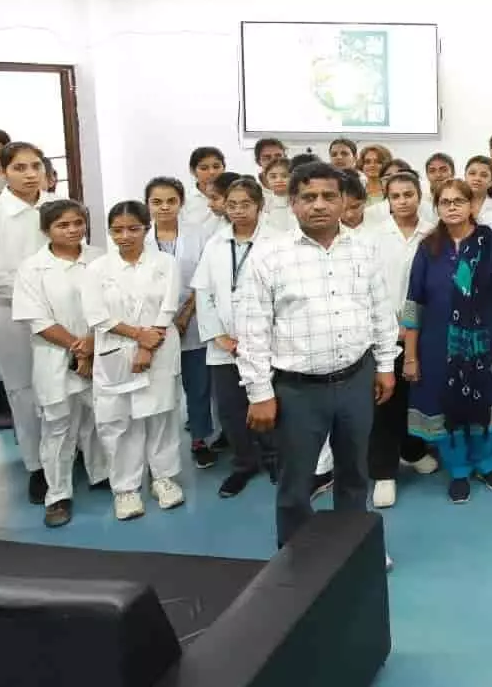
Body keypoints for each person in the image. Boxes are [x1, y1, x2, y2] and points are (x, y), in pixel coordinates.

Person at [235, 161, 398, 549]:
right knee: (297, 480)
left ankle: (352, 548)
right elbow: (253, 329)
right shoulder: (269, 256)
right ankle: (296, 559)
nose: (319, 205)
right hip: (297, 390)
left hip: (357, 379)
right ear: (292, 203)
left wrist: (385, 365)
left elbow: (380, 310)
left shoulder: (364, 249)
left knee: (354, 473)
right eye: (308, 197)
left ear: (344, 201)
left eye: (328, 196)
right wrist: (259, 392)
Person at [400, 179, 492, 503]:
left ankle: (486, 462)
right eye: (445, 202)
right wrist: (410, 356)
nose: (451, 207)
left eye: (458, 201)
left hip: (484, 343)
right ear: (436, 207)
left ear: (472, 205)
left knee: (486, 399)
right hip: (439, 345)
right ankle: (459, 469)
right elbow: (414, 302)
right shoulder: (428, 247)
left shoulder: (490, 243)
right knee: (445, 403)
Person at [81, 200, 184, 521]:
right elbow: (97, 315)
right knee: (119, 421)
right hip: (116, 349)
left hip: (160, 346)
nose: (125, 236)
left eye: (133, 229)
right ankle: (126, 489)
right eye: (117, 230)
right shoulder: (97, 269)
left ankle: (164, 478)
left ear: (146, 229)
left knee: (161, 415)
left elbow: (168, 307)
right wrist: (138, 336)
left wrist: (147, 347)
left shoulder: (165, 263)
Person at [12, 199, 107, 526]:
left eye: (78, 223)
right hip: (55, 358)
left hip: (99, 351)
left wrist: (92, 344)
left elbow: (112, 305)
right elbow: (36, 319)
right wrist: (78, 349)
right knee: (58, 427)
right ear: (46, 230)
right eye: (62, 225)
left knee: (100, 419)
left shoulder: (99, 258)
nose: (72, 230)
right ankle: (58, 496)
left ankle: (102, 474)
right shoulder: (32, 268)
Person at [0, 140, 50, 502]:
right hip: (14, 314)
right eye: (20, 168)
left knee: (66, 384)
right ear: (2, 172)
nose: (30, 174)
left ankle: (72, 452)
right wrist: (43, 295)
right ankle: (37, 465)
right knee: (23, 389)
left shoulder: (57, 206)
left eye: (36, 166)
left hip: (64, 313)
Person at [193, 177, 279, 498]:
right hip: (224, 344)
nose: (239, 211)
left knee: (269, 401)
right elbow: (204, 294)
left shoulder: (277, 241)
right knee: (231, 408)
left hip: (267, 341)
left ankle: (274, 458)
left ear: (260, 205)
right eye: (232, 205)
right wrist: (219, 337)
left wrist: (264, 337)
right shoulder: (215, 243)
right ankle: (244, 463)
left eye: (246, 204)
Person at [367, 171, 439, 505]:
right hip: (386, 330)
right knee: (386, 400)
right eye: (395, 196)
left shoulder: (434, 233)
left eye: (408, 194)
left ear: (419, 196)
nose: (402, 201)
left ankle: (412, 450)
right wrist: (386, 324)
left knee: (417, 397)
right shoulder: (373, 236)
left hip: (426, 330)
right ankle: (383, 472)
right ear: (387, 200)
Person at [143, 175, 218, 469]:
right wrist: (162, 321)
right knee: (158, 388)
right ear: (147, 205)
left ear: (181, 203)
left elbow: (207, 277)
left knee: (198, 385)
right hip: (153, 324)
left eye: (171, 201)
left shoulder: (198, 234)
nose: (164, 207)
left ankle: (200, 439)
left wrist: (186, 314)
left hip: (195, 319)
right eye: (157, 202)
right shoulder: (140, 237)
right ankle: (157, 448)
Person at [183, 146, 227, 234]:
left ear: (224, 168)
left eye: (216, 166)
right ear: (192, 171)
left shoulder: (234, 195)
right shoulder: (185, 200)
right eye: (204, 168)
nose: (212, 172)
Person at [261, 156, 294, 233]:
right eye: (273, 177)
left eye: (285, 176)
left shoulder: (299, 201)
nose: (279, 180)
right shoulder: (263, 203)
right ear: (266, 179)